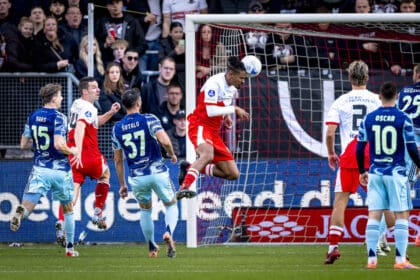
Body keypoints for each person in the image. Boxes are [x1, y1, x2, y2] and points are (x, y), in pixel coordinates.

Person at [9, 83, 79, 257]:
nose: (62, 98)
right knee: (68, 210)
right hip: (60, 170)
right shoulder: (59, 117)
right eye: (60, 95)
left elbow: (23, 144)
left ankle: (20, 213)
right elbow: (58, 144)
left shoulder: (33, 116)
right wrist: (73, 151)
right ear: (54, 97)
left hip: (40, 168)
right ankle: (69, 249)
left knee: (27, 208)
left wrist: (41, 144)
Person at [356, 81, 420, 269]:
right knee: (401, 216)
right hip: (396, 173)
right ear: (397, 97)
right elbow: (412, 149)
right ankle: (400, 260)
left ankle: (371, 260)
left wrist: (362, 170)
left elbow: (360, 149)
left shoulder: (369, 118)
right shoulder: (403, 118)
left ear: (379, 97)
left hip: (375, 173)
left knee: (374, 215)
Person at [324, 60, 381, 264]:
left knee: (341, 202)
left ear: (349, 78)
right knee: (380, 201)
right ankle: (389, 247)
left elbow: (330, 133)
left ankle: (333, 247)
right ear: (367, 77)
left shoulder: (341, 101)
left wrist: (331, 153)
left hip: (350, 154)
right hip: (374, 154)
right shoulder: (378, 100)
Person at [112, 88, 178, 258]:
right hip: (157, 170)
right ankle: (168, 232)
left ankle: (151, 246)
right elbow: (164, 140)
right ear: (139, 103)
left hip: (137, 176)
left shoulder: (117, 128)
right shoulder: (149, 119)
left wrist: (122, 185)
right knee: (171, 204)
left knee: (145, 210)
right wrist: (171, 154)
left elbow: (118, 161)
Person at [177, 56, 249, 200]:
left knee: (232, 173)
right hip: (200, 125)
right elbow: (210, 111)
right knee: (207, 154)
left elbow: (220, 105)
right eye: (241, 78)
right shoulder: (214, 83)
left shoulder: (233, 89)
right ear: (230, 74)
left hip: (213, 132)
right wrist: (233, 109)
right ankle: (184, 186)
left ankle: (189, 167)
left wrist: (226, 116)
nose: (243, 81)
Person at [67, 76, 121, 229]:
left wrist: (110, 112)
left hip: (72, 155)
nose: (97, 90)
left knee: (74, 188)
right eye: (93, 87)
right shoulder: (89, 107)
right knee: (105, 175)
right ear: (84, 91)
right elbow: (80, 127)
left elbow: (94, 121)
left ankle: (63, 224)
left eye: (97, 87)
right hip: (87, 153)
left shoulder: (77, 104)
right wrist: (79, 151)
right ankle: (98, 213)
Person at [397, 64, 420, 247]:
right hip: (416, 143)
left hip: (406, 143)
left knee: (403, 188)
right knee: (405, 188)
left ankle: (378, 235)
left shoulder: (404, 91)